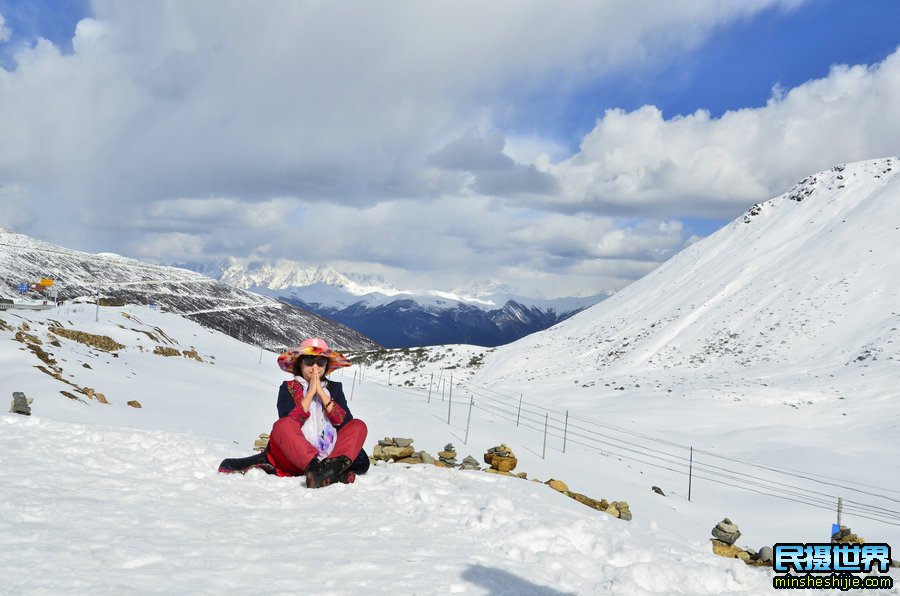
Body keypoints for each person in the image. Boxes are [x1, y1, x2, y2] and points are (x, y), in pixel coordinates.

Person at [218, 338, 370, 488]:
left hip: (331, 453)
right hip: (296, 456)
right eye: (309, 362)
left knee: (358, 425)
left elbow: (344, 423)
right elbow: (289, 423)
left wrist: (323, 395)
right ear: (300, 365)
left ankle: (331, 470)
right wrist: (310, 394)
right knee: (281, 426)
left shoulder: (334, 388)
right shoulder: (288, 388)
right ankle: (323, 471)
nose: (315, 367)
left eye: (321, 362)